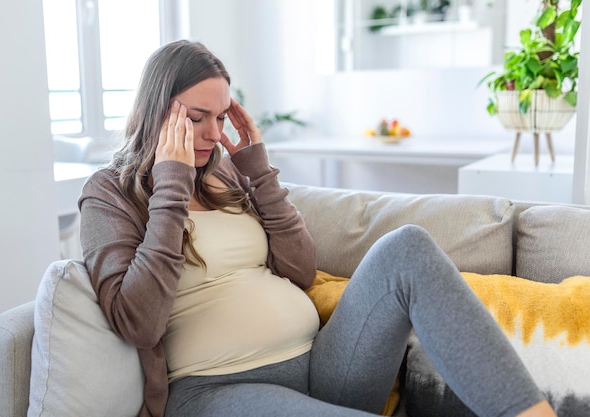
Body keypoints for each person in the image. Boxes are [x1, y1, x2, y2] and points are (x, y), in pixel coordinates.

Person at [78, 40, 557, 417]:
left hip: (325, 368)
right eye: (197, 118)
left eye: (221, 118)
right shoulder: (109, 192)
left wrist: (257, 171)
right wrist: (170, 188)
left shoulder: (224, 173)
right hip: (216, 389)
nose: (211, 135)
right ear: (155, 110)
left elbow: (300, 270)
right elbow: (138, 323)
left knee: (406, 247)